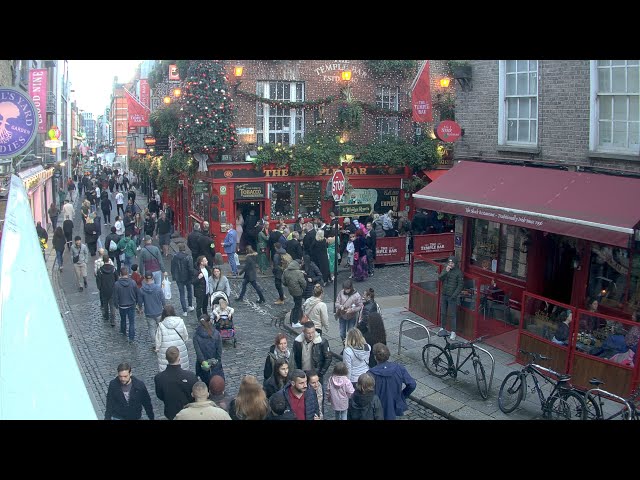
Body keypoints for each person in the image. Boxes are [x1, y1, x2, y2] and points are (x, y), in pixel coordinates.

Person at [369, 343, 416, 420]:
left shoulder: (370, 374)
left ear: (375, 357)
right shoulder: (399, 368)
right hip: (394, 405)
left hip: (378, 408)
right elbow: (412, 384)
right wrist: (402, 396)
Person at [153, 346, 198, 420]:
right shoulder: (190, 376)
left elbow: (160, 395)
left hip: (170, 412)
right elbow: (194, 395)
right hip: (188, 412)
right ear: (179, 358)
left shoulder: (159, 378)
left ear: (167, 359)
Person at [155, 305, 189, 372]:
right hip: (180, 349)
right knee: (182, 369)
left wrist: (157, 349)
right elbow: (185, 336)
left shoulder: (161, 325)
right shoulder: (181, 322)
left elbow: (158, 341)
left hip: (165, 351)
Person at [193, 313, 224, 386]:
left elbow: (198, 352)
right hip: (215, 364)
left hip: (203, 366)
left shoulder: (196, 335)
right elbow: (219, 349)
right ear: (209, 321)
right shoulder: (216, 333)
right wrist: (218, 360)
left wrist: (203, 362)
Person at [138, 272, 167, 350]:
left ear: (144, 279)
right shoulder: (158, 288)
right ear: (153, 278)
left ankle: (155, 344)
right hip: (159, 311)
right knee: (160, 327)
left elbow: (140, 302)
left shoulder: (142, 290)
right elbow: (163, 299)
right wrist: (165, 307)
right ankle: (162, 342)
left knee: (151, 329)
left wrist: (140, 309)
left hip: (149, 312)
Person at [438, 256, 464, 341]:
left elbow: (460, 285)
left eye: (452, 263)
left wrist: (454, 295)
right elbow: (440, 278)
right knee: (443, 312)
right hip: (444, 294)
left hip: (452, 296)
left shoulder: (459, 273)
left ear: (455, 264)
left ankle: (453, 332)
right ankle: (442, 328)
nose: (450, 264)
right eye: (449, 263)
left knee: (453, 315)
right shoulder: (446, 269)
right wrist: (446, 271)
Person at [113, 266, 140, 343]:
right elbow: (137, 293)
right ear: (127, 274)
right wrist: (137, 303)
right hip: (131, 304)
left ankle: (123, 331)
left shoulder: (117, 284)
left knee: (123, 319)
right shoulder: (133, 282)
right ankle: (131, 337)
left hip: (122, 305)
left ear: (120, 274)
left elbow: (115, 296)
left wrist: (116, 304)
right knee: (131, 322)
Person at [335, 279, 363, 344]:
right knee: (342, 333)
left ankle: (349, 346)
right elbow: (336, 303)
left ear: (351, 288)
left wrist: (352, 310)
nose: (346, 290)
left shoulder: (356, 295)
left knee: (350, 333)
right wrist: (340, 306)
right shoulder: (341, 293)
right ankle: (344, 345)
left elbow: (360, 306)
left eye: (347, 289)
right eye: (345, 289)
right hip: (342, 315)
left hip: (352, 316)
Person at [171, 243, 195, 316]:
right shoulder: (188, 257)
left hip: (179, 278)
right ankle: (190, 306)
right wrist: (192, 277)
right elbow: (191, 269)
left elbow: (172, 268)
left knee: (181, 294)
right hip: (187, 277)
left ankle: (184, 311)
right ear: (184, 249)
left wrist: (174, 276)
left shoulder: (175, 257)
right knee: (189, 291)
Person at [282, 258, 307, 327]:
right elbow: (303, 283)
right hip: (298, 292)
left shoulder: (286, 271)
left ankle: (296, 319)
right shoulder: (298, 273)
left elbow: (284, 282)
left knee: (297, 304)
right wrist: (303, 289)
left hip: (291, 291)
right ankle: (295, 321)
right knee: (297, 306)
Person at [96, 254, 119, 327]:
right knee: (112, 305)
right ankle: (113, 321)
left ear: (103, 260)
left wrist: (100, 288)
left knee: (105, 304)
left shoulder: (100, 271)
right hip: (112, 289)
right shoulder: (113, 269)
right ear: (109, 260)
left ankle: (106, 315)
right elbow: (117, 278)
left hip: (104, 289)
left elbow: (98, 281)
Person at [272, 241, 288, 305]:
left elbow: (275, 265)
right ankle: (282, 296)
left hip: (278, 272)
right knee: (280, 284)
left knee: (278, 285)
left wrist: (273, 271)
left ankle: (281, 299)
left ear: (276, 248)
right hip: (284, 270)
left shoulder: (276, 255)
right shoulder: (284, 252)